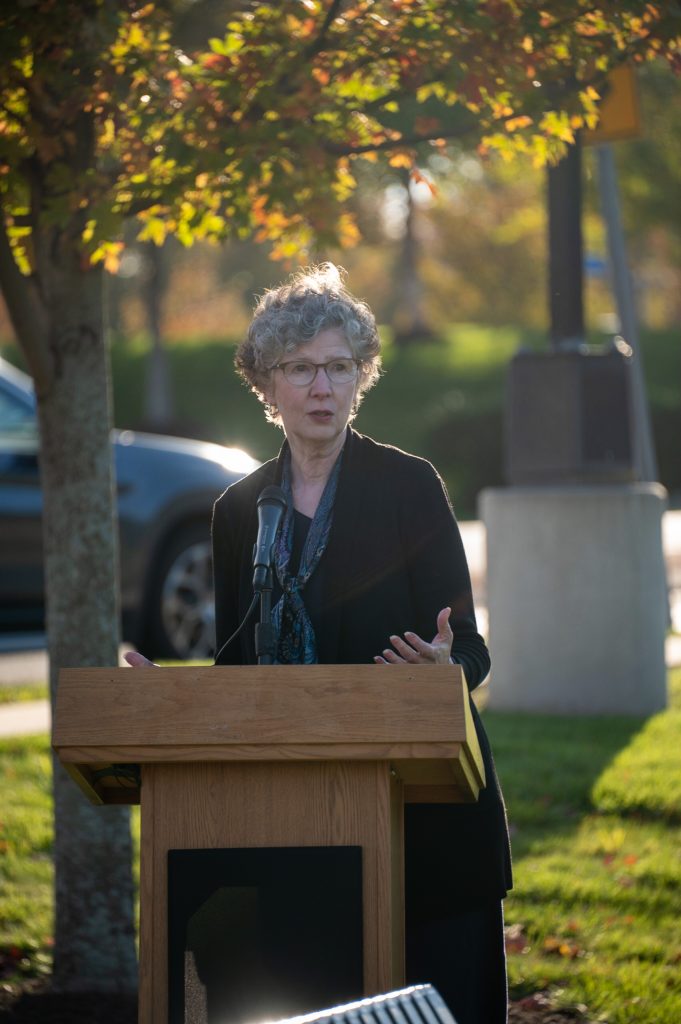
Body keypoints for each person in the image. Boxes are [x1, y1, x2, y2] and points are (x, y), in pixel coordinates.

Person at [208, 263, 512, 1024]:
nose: (323, 388)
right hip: (295, 826)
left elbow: (470, 649)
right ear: (266, 383)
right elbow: (234, 668)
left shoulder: (409, 486)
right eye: (301, 369)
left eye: (340, 367)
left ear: (360, 377)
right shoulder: (238, 510)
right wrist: (169, 697)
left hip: (424, 822)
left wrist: (443, 668)